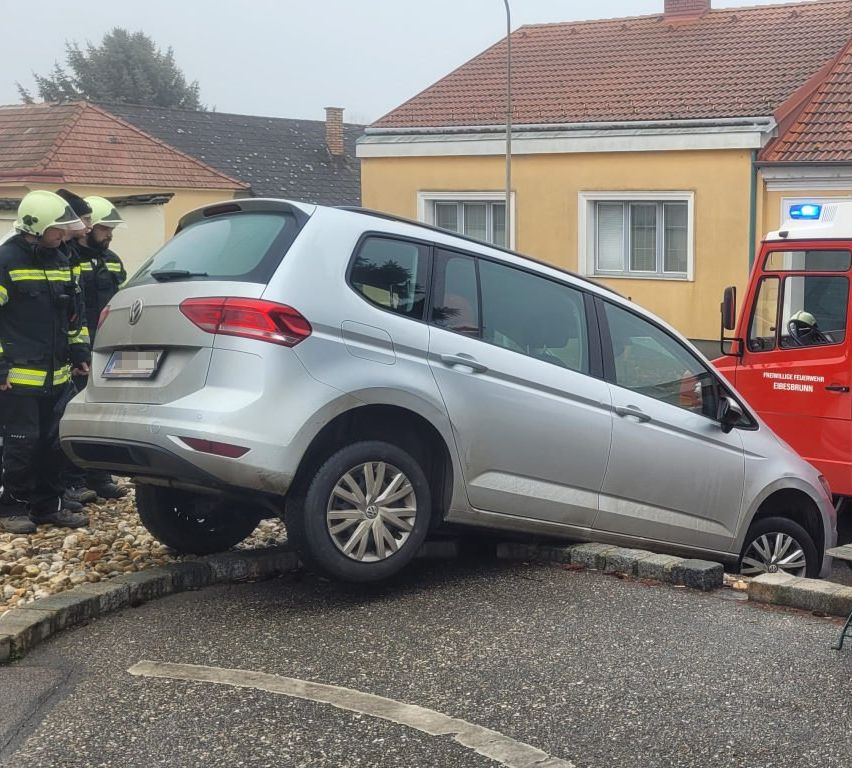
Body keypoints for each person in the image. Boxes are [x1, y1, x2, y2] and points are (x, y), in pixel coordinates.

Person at [0, 191, 91, 534]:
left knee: (53, 444)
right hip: (18, 378)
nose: (64, 235)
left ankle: (47, 506)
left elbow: (74, 317)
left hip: (57, 375)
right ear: (35, 227)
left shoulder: (61, 259)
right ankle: (10, 508)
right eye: (58, 230)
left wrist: (79, 351)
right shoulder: (6, 261)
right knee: (20, 444)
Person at [72, 196, 128, 500]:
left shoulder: (112, 259)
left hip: (108, 348)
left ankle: (100, 475)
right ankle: (75, 479)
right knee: (77, 412)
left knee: (104, 415)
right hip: (81, 349)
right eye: (105, 228)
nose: (108, 235)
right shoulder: (69, 259)